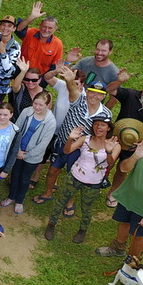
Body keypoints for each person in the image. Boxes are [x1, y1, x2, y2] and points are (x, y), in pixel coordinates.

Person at [35, 70, 111, 204]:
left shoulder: (106, 114)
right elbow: (72, 90)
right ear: (87, 91)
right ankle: (48, 193)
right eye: (92, 92)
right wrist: (70, 80)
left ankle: (70, 203)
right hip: (63, 143)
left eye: (99, 94)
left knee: (75, 179)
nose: (94, 96)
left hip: (81, 150)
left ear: (103, 96)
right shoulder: (78, 100)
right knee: (53, 171)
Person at [44, 114, 121, 243]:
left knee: (86, 209)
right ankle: (51, 225)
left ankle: (82, 230)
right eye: (96, 124)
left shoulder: (114, 145)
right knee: (61, 201)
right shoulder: (85, 139)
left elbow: (111, 163)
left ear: (108, 128)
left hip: (93, 183)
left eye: (102, 125)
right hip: (74, 177)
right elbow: (67, 151)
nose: (98, 127)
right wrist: (70, 139)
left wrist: (108, 151)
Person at [96, 129, 143, 258]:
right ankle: (118, 247)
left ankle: (133, 260)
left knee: (140, 236)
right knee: (123, 223)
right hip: (128, 198)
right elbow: (123, 168)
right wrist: (135, 156)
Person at [104, 71, 143, 206]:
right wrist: (119, 81)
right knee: (107, 162)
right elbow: (110, 90)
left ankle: (112, 193)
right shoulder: (131, 95)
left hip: (135, 144)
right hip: (116, 138)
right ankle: (98, 182)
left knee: (122, 170)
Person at [1, 92, 56, 215]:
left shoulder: (51, 121)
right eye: (35, 103)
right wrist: (18, 150)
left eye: (41, 105)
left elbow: (43, 143)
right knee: (15, 175)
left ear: (47, 105)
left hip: (33, 156)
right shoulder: (27, 111)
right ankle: (11, 196)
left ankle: (20, 200)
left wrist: (26, 155)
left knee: (25, 179)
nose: (37, 107)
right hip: (18, 150)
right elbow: (17, 128)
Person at [15, 1, 63, 74]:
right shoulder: (31, 33)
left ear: (55, 28)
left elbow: (54, 67)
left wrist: (42, 83)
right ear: (40, 25)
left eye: (50, 28)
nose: (46, 30)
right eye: (44, 27)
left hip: (38, 79)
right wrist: (31, 17)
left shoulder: (58, 44)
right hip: (20, 71)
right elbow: (18, 30)